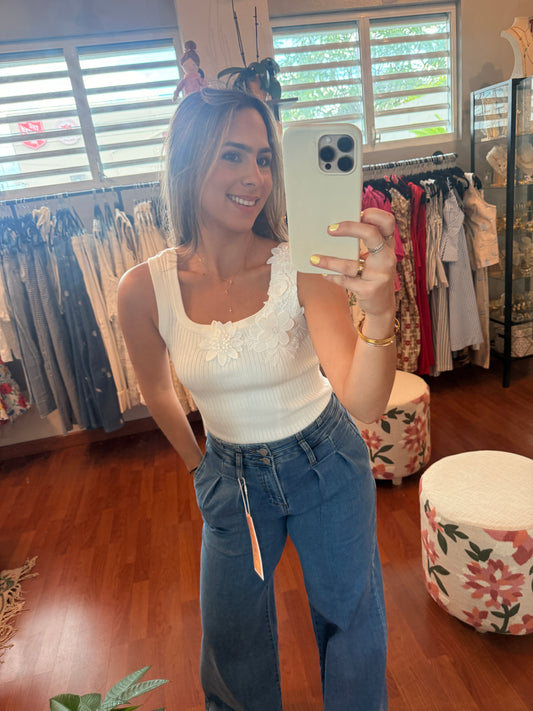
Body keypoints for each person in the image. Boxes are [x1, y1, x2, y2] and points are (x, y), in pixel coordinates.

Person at [118, 87, 397, 711]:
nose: (256, 177)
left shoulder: (302, 266)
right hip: (230, 476)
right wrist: (199, 468)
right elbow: (155, 387)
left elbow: (363, 401)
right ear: (187, 162)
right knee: (231, 641)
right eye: (233, 155)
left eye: (265, 158)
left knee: (351, 623)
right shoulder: (143, 289)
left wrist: (380, 312)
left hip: (327, 461)